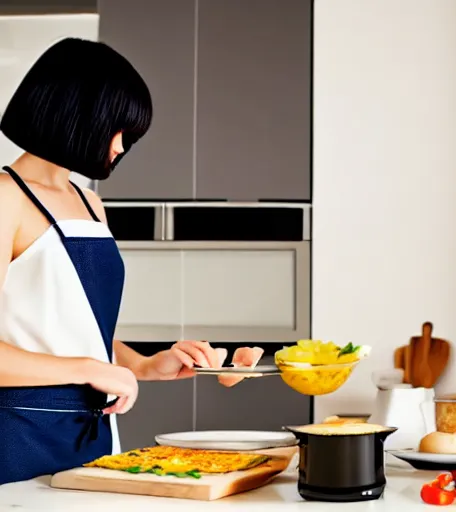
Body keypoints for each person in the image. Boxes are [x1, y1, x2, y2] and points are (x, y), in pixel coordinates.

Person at [0, 38, 262, 485]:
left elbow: (82, 332)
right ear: (75, 112)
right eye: (116, 128)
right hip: (18, 440)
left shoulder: (90, 205)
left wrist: (142, 365)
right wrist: (91, 371)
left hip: (95, 436)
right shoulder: (5, 199)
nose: (121, 146)